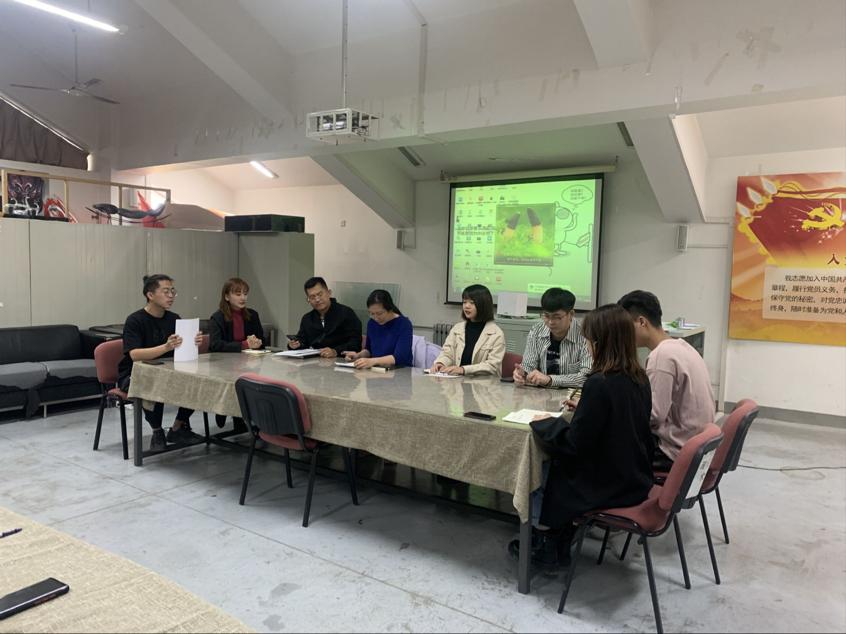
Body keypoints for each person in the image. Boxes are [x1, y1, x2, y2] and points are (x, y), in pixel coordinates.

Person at [509, 304, 654, 568]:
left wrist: (545, 423)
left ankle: (545, 542)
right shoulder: (638, 376)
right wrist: (586, 408)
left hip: (607, 484)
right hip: (634, 475)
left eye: (588, 340)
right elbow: (620, 420)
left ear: (599, 343)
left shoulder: (599, 383)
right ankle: (559, 537)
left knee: (542, 466)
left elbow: (574, 445)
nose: (587, 346)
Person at [618, 290, 715, 472]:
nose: (623, 334)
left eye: (625, 327)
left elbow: (653, 416)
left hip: (673, 453)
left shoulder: (661, 356)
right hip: (696, 447)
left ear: (641, 322)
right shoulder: (683, 346)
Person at [117, 274, 202, 452]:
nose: (171, 296)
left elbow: (180, 350)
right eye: (165, 291)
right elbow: (135, 355)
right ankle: (157, 431)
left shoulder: (174, 318)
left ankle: (178, 427)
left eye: (173, 291)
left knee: (198, 384)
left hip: (168, 370)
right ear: (150, 295)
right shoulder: (135, 320)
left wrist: (193, 341)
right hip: (134, 373)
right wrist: (166, 347)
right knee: (153, 385)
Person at [209, 277, 265, 432]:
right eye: (238, 294)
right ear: (227, 296)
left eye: (245, 294)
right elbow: (215, 345)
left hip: (249, 363)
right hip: (225, 365)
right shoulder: (217, 317)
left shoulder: (252, 315)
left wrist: (257, 342)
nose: (243, 298)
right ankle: (226, 410)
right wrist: (244, 345)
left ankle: (242, 418)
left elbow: (262, 340)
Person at [513, 288, 592, 387]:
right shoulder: (537, 330)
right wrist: (522, 374)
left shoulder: (585, 335)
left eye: (556, 317)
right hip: (540, 393)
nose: (550, 322)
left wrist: (550, 380)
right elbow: (528, 365)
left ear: (571, 314)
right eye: (546, 316)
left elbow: (586, 377)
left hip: (571, 394)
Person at [431, 284, 506, 376]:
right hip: (457, 382)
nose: (466, 306)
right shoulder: (457, 329)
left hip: (484, 383)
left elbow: (492, 366)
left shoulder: (496, 334)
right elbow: (447, 353)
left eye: (472, 303)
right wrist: (441, 363)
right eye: (464, 302)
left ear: (483, 305)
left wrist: (463, 370)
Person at [288, 277, 362, 358]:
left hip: (342, 361)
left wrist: (335, 351)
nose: (317, 299)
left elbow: (356, 343)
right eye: (312, 297)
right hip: (315, 362)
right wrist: (294, 345)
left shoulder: (346, 313)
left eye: (320, 294)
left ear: (329, 293)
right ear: (308, 300)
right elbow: (302, 341)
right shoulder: (307, 319)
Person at [344, 290, 413, 369]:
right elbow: (369, 350)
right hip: (377, 370)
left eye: (379, 313)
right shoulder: (372, 323)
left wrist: (373, 361)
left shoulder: (404, 324)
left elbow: (400, 357)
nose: (376, 318)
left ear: (390, 309)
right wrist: (358, 355)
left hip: (399, 371)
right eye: (372, 313)